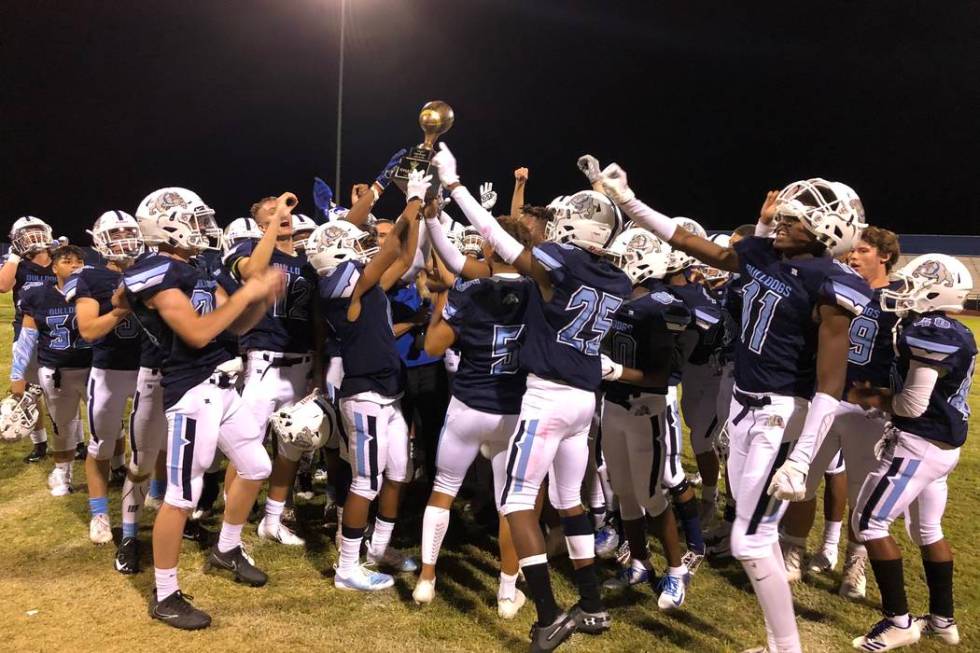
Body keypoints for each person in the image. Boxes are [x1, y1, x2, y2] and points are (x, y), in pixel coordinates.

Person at [597, 163, 870, 653]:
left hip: (781, 416)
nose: (781, 224)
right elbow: (691, 244)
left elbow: (831, 383)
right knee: (753, 537)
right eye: (782, 217)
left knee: (749, 540)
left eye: (794, 220)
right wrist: (630, 201)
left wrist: (805, 456)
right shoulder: (762, 253)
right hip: (745, 408)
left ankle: (786, 647)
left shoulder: (831, 282)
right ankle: (780, 644)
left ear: (828, 229)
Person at [430, 143, 632, 652]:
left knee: (517, 501)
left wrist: (455, 186)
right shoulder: (618, 275)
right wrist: (602, 195)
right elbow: (585, 240)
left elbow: (499, 237)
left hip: (546, 397)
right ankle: (591, 604)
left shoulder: (558, 264)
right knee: (569, 501)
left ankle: (547, 613)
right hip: (585, 400)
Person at [125, 186, 283, 630]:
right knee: (180, 497)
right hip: (190, 391)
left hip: (222, 383)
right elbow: (196, 333)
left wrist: (259, 301)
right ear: (167, 225)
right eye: (193, 220)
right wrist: (247, 290)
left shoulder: (193, 267)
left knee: (255, 467)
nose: (203, 228)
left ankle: (226, 548)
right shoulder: (152, 271)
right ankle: (166, 593)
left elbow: (231, 324)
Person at [849, 253, 974, 651]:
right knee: (927, 530)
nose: (904, 292)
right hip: (940, 448)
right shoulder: (947, 327)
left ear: (937, 291)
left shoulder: (933, 329)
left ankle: (899, 621)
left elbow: (912, 405)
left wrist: (873, 397)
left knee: (868, 523)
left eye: (914, 285)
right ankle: (942, 620)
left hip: (918, 444)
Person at [308, 170, 426, 591]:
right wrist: (411, 199)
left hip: (387, 394)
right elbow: (392, 244)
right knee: (366, 482)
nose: (365, 248)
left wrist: (420, 214)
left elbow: (405, 256)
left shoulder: (362, 285)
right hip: (366, 397)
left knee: (399, 473)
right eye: (355, 245)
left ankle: (378, 547)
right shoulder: (342, 289)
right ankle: (346, 567)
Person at [413, 214, 534, 619]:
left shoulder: (470, 292)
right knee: (510, 504)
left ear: (488, 247)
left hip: (467, 404)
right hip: (515, 410)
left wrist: (442, 301)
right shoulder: (540, 294)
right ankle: (505, 591)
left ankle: (427, 578)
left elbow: (432, 346)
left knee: (444, 489)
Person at [778, 226, 902, 592]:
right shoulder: (837, 286)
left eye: (862, 250)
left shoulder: (900, 298)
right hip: (826, 400)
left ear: (884, 256)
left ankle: (855, 563)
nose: (853, 256)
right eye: (852, 250)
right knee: (803, 482)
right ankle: (794, 551)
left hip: (870, 411)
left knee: (864, 494)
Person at [597, 226, 696, 609]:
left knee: (652, 495)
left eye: (623, 261)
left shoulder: (663, 307)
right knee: (624, 494)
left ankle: (675, 571)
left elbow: (662, 375)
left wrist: (616, 372)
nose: (616, 268)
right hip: (614, 405)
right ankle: (639, 561)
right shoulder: (617, 299)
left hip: (644, 408)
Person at [224, 193, 315, 546]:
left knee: (291, 448)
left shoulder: (308, 262)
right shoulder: (251, 251)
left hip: (300, 363)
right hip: (264, 362)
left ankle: (273, 520)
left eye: (288, 209)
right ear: (260, 225)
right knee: (245, 445)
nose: (284, 214)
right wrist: (272, 226)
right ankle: (232, 524)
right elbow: (253, 271)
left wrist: (317, 362)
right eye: (272, 212)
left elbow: (317, 318)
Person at [65, 211, 143, 547]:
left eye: (129, 231)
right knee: (101, 445)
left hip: (149, 369)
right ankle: (99, 513)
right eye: (117, 233)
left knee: (151, 441)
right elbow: (88, 330)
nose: (125, 239)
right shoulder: (91, 278)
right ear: (101, 240)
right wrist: (120, 309)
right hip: (109, 369)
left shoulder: (151, 268)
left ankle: (153, 493)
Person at [10, 244, 91, 496]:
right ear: (54, 267)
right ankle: (62, 472)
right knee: (62, 426)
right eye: (68, 261)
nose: (75, 266)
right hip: (56, 372)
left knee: (106, 424)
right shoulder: (38, 295)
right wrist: (17, 374)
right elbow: (27, 339)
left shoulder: (95, 291)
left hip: (93, 369)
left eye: (79, 262)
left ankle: (118, 467)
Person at [1, 216, 57, 462]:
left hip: (58, 331)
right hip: (26, 333)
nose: (33, 237)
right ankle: (40, 443)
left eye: (37, 231)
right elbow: (3, 286)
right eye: (27, 233)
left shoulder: (60, 260)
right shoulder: (18, 265)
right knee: (28, 392)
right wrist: (14, 257)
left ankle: (76, 442)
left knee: (61, 390)